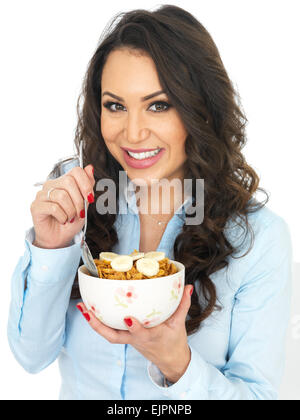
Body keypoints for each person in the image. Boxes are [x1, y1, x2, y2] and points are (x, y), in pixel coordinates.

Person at [7, 5, 292, 400]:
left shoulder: (258, 239)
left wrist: (178, 364)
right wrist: (51, 248)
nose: (133, 133)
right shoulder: (74, 196)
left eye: (158, 105)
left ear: (201, 109)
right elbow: (31, 356)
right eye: (116, 106)